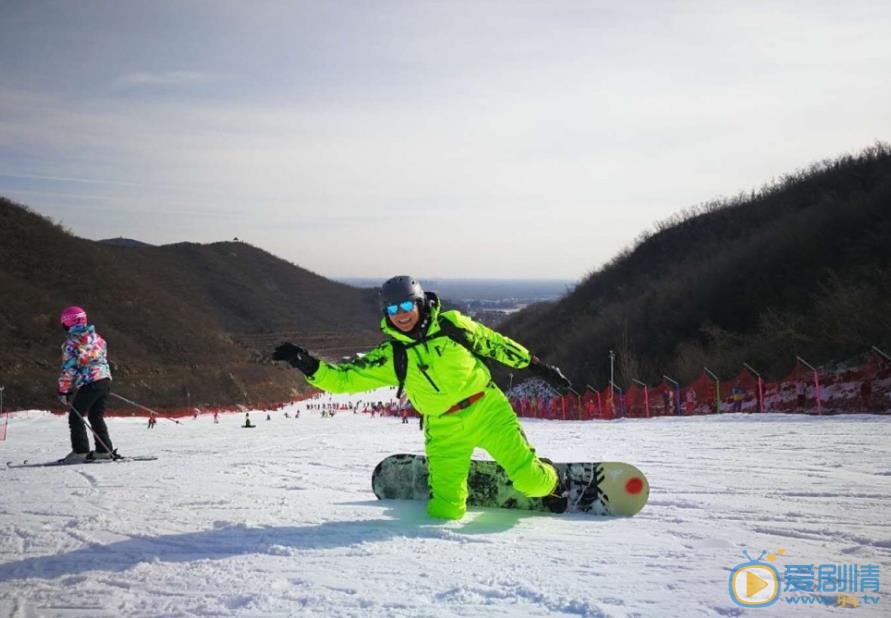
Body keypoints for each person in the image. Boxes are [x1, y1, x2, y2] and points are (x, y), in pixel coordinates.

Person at [273, 275, 573, 520]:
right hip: (443, 428)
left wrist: (540, 368)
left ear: (419, 303)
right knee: (446, 512)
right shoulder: (394, 355)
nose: (401, 314)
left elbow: (495, 344)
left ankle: (550, 480)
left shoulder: (452, 325)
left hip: (487, 409)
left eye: (406, 306)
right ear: (386, 313)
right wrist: (307, 363)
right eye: (393, 309)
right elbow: (344, 379)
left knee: (532, 484)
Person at [57, 306, 116, 462]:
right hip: (105, 380)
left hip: (90, 382)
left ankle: (80, 452)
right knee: (96, 416)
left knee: (75, 417)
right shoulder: (98, 338)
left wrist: (64, 391)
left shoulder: (72, 342)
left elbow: (68, 369)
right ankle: (104, 450)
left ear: (68, 323)